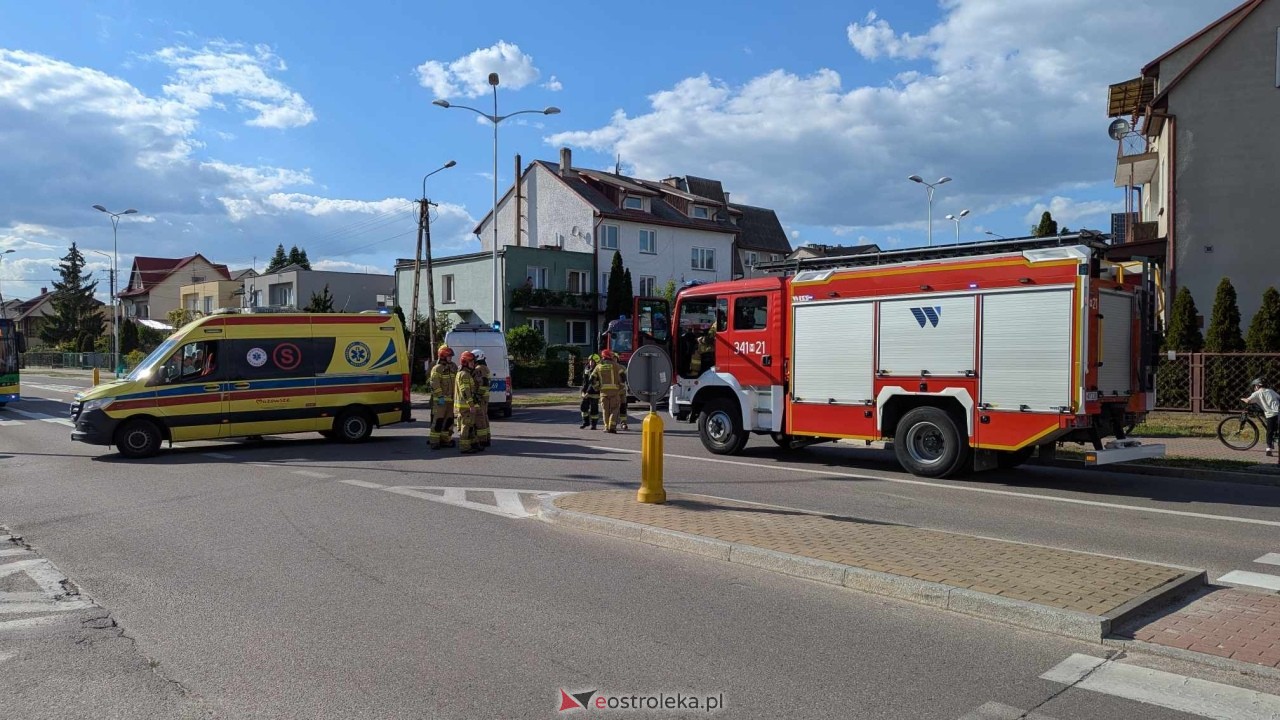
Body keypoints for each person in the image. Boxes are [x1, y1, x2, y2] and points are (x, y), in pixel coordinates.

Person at [428, 345, 457, 449]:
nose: (451, 358)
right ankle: (434, 441)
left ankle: (446, 440)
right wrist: (440, 396)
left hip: (451, 401)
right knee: (438, 421)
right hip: (440, 401)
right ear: (443, 356)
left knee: (448, 422)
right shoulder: (437, 369)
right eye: (449, 356)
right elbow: (435, 384)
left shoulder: (453, 367)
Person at [1242, 377, 1280, 452]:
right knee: (1275, 429)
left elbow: (1248, 401)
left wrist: (1242, 399)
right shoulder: (1271, 390)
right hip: (1278, 412)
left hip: (1271, 414)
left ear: (1257, 386)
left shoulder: (1257, 393)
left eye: (1254, 386)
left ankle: (1269, 448)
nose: (1254, 387)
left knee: (1269, 431)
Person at [592, 349, 624, 433]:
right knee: (615, 409)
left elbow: (591, 378)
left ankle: (606, 427)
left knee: (605, 411)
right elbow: (623, 376)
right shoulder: (616, 365)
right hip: (614, 392)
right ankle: (612, 426)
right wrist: (621, 386)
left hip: (603, 392)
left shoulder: (598, 366)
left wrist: (596, 387)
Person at [454, 351, 480, 454]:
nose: (473, 364)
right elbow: (465, 391)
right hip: (465, 406)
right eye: (471, 362)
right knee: (466, 426)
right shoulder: (464, 374)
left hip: (465, 405)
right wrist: (471, 405)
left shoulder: (465, 373)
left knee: (470, 425)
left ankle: (472, 444)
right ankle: (464, 447)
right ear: (465, 362)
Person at [471, 349, 492, 449]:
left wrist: (478, 396)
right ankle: (486, 438)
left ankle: (482, 440)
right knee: (484, 417)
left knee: (480, 418)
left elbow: (483, 384)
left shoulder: (480, 368)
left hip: (481, 398)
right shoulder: (484, 367)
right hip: (484, 397)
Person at [580, 354, 600, 429]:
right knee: (583, 407)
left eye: (592, 361)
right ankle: (586, 422)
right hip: (586, 393)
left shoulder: (598, 369)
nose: (591, 362)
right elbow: (585, 382)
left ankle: (594, 425)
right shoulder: (587, 368)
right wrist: (582, 391)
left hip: (594, 392)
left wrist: (588, 393)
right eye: (590, 361)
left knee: (594, 409)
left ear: (596, 362)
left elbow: (594, 383)